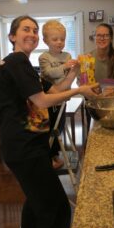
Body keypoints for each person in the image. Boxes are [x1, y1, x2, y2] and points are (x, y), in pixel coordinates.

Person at [0, 15, 98, 228]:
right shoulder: (16, 62)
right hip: (24, 148)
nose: (31, 34)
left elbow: (54, 92)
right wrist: (79, 90)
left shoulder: (26, 66)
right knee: (56, 208)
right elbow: (42, 101)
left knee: (36, 203)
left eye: (34, 30)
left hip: (31, 147)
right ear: (12, 36)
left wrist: (74, 73)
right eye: (25, 29)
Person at [39, 19, 79, 169]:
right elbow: (49, 73)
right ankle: (48, 156)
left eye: (62, 39)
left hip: (63, 98)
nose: (59, 42)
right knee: (49, 129)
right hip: (49, 100)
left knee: (59, 127)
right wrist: (65, 67)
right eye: (55, 39)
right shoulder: (44, 57)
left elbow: (70, 75)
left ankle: (54, 154)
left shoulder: (67, 56)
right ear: (45, 40)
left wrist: (77, 67)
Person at [80, 22, 114, 131]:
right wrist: (94, 92)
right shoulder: (87, 58)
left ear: (111, 38)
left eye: (106, 35)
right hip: (93, 106)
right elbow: (81, 85)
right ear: (95, 37)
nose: (102, 38)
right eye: (99, 35)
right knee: (94, 134)